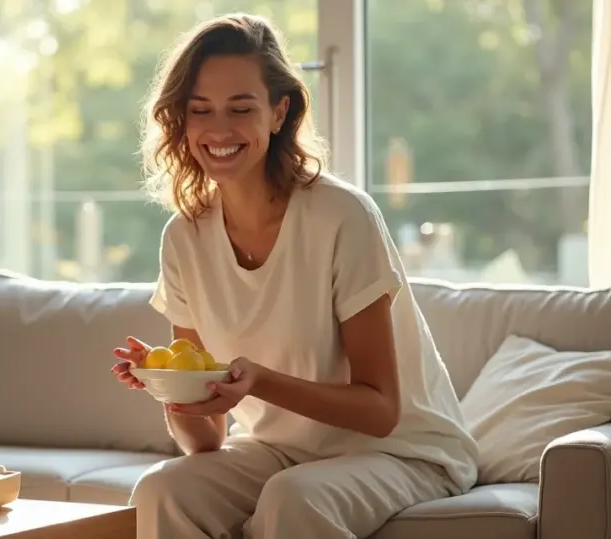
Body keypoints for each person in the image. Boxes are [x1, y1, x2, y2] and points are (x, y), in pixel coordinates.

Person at [110, 12, 479, 539]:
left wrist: (260, 380)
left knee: (292, 497)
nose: (219, 129)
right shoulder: (184, 237)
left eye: (241, 108)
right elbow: (207, 441)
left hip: (401, 450)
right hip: (276, 451)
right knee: (162, 489)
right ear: (181, 121)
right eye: (201, 110)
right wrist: (170, 386)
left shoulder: (341, 216)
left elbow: (381, 410)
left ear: (279, 113)